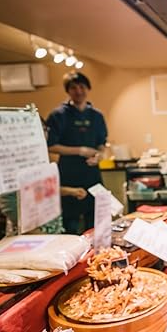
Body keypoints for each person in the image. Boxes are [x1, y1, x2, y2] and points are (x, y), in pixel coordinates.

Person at [46, 71, 108, 234]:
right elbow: (50, 146)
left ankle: (96, 257)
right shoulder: (58, 115)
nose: (78, 91)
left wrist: (99, 156)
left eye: (82, 86)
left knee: (96, 222)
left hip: (92, 174)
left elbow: (102, 144)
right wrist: (80, 151)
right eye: (73, 88)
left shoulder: (97, 116)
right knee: (70, 224)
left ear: (88, 88)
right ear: (68, 91)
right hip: (68, 175)